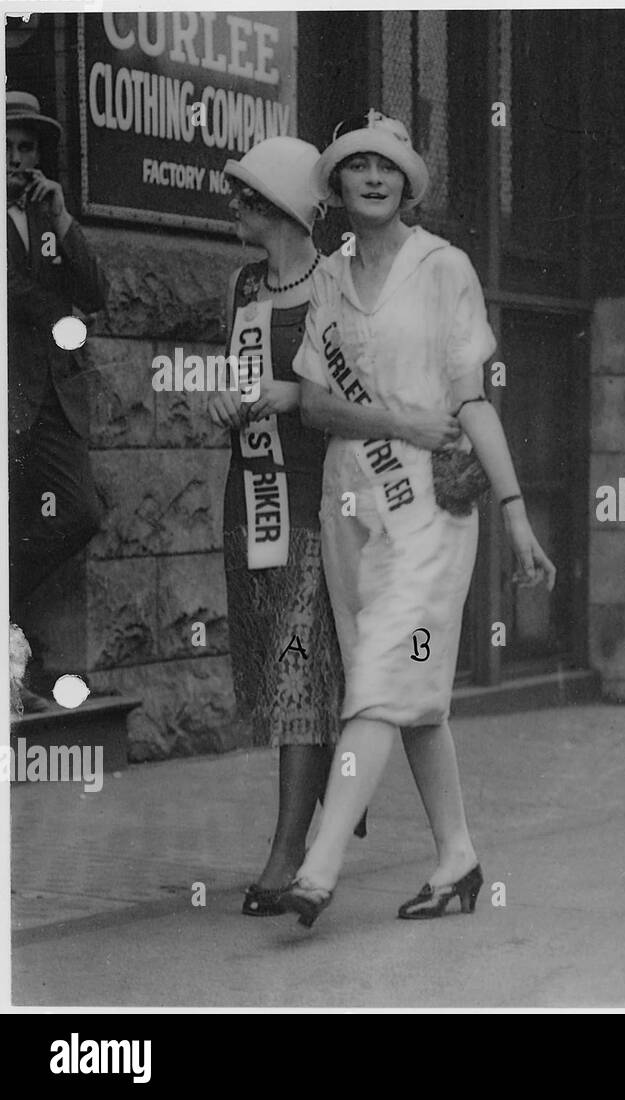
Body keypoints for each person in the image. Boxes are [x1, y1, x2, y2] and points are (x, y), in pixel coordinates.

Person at [278, 110, 556, 927]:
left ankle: (321, 861)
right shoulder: (328, 277)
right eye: (357, 166)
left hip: (429, 512)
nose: (372, 177)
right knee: (412, 695)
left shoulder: (444, 268)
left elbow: (470, 399)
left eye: (388, 167)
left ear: (408, 183)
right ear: (337, 184)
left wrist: (514, 512)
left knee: (377, 684)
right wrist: (397, 421)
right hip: (350, 505)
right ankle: (457, 858)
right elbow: (319, 405)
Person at [211, 136, 375, 915]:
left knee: (296, 673)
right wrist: (227, 400)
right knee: (280, 673)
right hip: (251, 501)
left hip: (313, 505)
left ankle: (286, 855)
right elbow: (239, 379)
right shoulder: (243, 284)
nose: (232, 211)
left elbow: (349, 399)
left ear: (275, 210)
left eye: (243, 200)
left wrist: (290, 398)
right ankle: (328, 784)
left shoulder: (333, 287)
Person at [7, 91, 106, 711]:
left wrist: (66, 220)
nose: (19, 160)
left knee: (80, 512)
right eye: (7, 148)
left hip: (54, 401)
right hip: (8, 393)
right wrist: (59, 309)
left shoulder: (48, 218)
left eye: (28, 148)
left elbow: (95, 291)